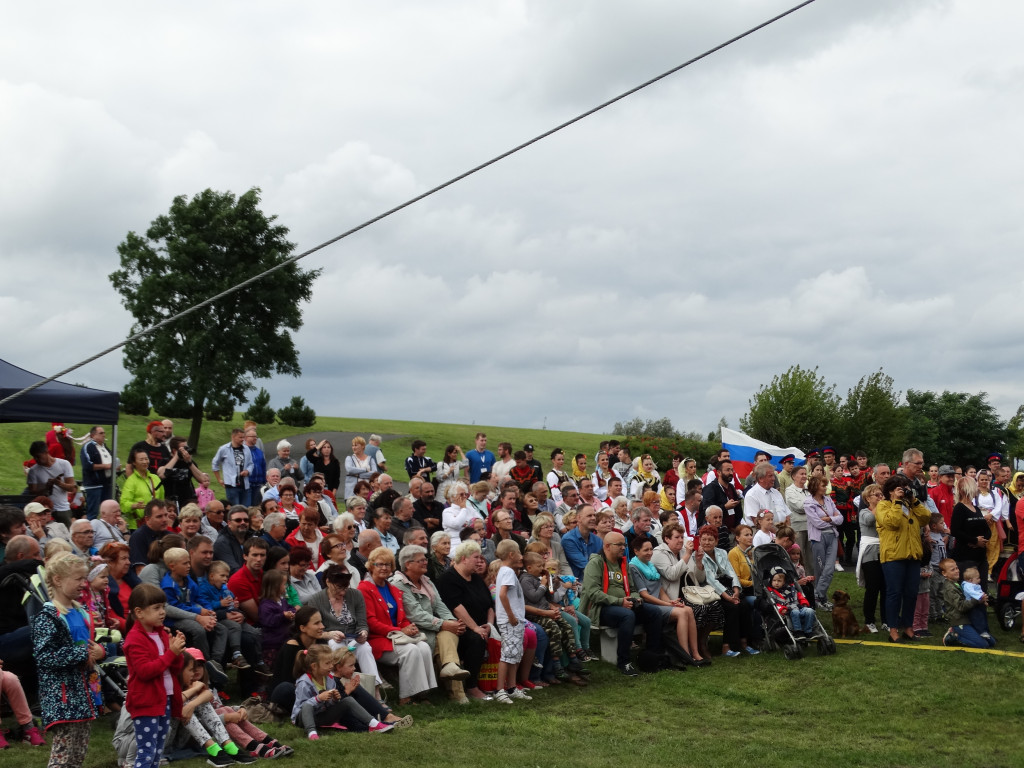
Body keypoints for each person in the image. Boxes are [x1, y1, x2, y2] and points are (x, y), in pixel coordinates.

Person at [31, 553, 104, 768]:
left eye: (85, 578)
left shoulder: (80, 612)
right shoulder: (49, 616)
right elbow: (44, 656)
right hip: (62, 696)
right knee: (62, 757)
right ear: (58, 580)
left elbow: (89, 645)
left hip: (83, 693)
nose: (84, 584)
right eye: (78, 579)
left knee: (77, 754)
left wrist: (99, 651)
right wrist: (82, 654)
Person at [389, 545, 471, 701]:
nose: (426, 562)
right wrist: (444, 624)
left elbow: (440, 605)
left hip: (434, 627)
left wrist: (453, 622)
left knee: (448, 634)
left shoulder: (426, 581)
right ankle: (457, 692)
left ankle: (450, 668)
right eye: (421, 560)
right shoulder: (398, 584)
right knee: (446, 637)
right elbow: (415, 615)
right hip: (416, 630)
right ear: (408, 564)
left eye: (425, 559)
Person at [358, 547, 437, 705]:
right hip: (377, 639)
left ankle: (422, 694)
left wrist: (410, 627)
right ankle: (405, 697)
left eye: (388, 564)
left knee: (423, 646)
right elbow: (371, 622)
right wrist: (400, 630)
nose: (384, 568)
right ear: (371, 565)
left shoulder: (393, 589)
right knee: (411, 650)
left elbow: (402, 619)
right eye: (380, 564)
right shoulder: (364, 588)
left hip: (398, 636)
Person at [581, 531, 664, 676]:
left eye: (624, 544)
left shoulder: (623, 564)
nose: (623, 547)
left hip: (625, 605)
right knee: (627, 616)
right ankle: (624, 662)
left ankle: (652, 656)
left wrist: (635, 597)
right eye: (619, 545)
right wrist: (619, 602)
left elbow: (632, 589)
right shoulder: (596, 563)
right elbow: (593, 593)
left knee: (654, 612)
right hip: (602, 609)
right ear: (607, 546)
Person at [122, 583, 186, 768]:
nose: (162, 612)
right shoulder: (135, 639)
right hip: (146, 701)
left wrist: (177, 650)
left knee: (158, 750)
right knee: (146, 752)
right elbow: (145, 671)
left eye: (163, 607)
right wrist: (171, 653)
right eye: (156, 608)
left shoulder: (161, 634)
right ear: (139, 612)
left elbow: (173, 669)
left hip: (163, 698)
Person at [629, 536, 706, 666]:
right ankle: (685, 655)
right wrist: (668, 604)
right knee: (681, 613)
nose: (650, 553)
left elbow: (660, 590)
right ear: (636, 551)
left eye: (651, 549)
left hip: (660, 603)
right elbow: (644, 595)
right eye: (645, 550)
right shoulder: (634, 567)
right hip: (648, 606)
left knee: (688, 610)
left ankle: (695, 652)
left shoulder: (650, 565)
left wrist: (671, 602)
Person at [291, 644, 394, 739]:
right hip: (303, 719)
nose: (331, 666)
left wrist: (334, 700)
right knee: (307, 706)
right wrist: (318, 699)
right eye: (327, 663)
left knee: (348, 700)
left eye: (331, 662)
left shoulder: (329, 679)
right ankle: (312, 733)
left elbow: (328, 704)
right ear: (314, 666)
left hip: (320, 716)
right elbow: (303, 707)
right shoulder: (304, 682)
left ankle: (374, 724)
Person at [435, 541, 493, 701]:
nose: (479, 561)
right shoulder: (448, 579)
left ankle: (503, 684)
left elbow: (489, 604)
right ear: (464, 559)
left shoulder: (476, 578)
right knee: (476, 639)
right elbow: (457, 608)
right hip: (460, 628)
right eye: (476, 557)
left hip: (484, 624)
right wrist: (475, 628)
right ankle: (472, 686)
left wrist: (489, 625)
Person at [876, 475, 931, 643]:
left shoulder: (910, 505)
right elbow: (892, 522)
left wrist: (913, 500)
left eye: (905, 487)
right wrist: (897, 502)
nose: (903, 490)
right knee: (894, 594)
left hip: (913, 556)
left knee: (911, 594)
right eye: (900, 488)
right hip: (893, 556)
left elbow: (926, 518)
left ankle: (908, 627)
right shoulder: (883, 505)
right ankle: (893, 630)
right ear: (891, 491)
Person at [692, 524, 757, 657]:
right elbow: (710, 579)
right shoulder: (697, 555)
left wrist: (736, 589)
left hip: (728, 586)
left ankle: (744, 642)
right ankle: (726, 647)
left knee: (744, 605)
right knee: (732, 608)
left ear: (716, 541)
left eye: (710, 539)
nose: (706, 542)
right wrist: (727, 596)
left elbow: (731, 572)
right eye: (703, 539)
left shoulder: (721, 552)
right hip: (711, 590)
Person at [936, 559, 996, 648]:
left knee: (992, 642)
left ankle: (966, 634)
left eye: (956, 568)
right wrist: (977, 600)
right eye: (953, 570)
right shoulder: (949, 588)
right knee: (983, 645)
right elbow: (961, 606)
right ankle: (953, 637)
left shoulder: (957, 584)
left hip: (969, 618)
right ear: (944, 573)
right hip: (959, 621)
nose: (957, 571)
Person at [805, 475, 842, 611]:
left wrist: (829, 519)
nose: (825, 488)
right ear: (815, 487)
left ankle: (817, 596)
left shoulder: (828, 499)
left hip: (832, 536)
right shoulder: (808, 503)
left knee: (829, 569)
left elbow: (841, 518)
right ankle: (822, 598)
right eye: (823, 485)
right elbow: (817, 523)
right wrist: (832, 519)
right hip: (818, 538)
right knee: (820, 569)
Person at [949, 475, 992, 593]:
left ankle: (981, 610)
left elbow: (987, 529)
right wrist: (974, 540)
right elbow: (955, 530)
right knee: (970, 590)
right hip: (966, 556)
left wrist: (983, 541)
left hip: (981, 556)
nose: (977, 488)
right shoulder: (959, 508)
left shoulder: (976, 508)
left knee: (982, 588)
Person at [856, 483, 884, 633]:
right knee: (872, 587)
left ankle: (886, 620)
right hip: (870, 553)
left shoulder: (884, 510)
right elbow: (869, 521)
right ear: (868, 498)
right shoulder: (864, 512)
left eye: (881, 495)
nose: (880, 498)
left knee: (885, 587)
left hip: (885, 551)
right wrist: (880, 506)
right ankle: (869, 621)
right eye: (877, 495)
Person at [765, 565, 816, 638]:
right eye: (774, 580)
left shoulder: (791, 589)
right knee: (795, 612)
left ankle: (808, 630)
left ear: (784, 582)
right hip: (788, 610)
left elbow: (800, 596)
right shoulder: (772, 593)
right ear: (770, 581)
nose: (776, 583)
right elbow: (776, 604)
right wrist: (782, 609)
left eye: (779, 581)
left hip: (799, 607)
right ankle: (798, 631)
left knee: (810, 611)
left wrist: (804, 603)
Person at [80, 426, 114, 520]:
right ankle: (90, 531)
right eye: (101, 433)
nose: (104, 435)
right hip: (94, 484)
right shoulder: (88, 447)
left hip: (107, 484)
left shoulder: (105, 447)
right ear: (93, 435)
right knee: (93, 512)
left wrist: (115, 466)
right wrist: (106, 466)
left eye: (104, 433)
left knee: (108, 510)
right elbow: (88, 465)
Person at [561, 505, 603, 579]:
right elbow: (585, 565)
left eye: (594, 515)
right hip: (577, 583)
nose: (593, 518)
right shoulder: (568, 539)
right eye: (589, 516)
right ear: (579, 518)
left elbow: (601, 563)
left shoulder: (598, 540)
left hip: (596, 579)